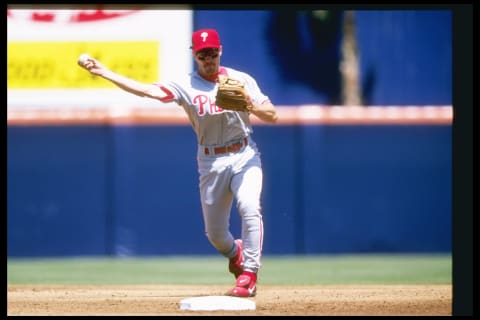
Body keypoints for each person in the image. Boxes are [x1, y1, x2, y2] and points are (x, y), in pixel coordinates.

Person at [78, 28, 277, 297]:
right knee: (216, 235)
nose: (209, 58)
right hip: (211, 160)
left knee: (250, 206)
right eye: (203, 54)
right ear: (194, 55)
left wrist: (249, 105)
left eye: (213, 52)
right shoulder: (186, 85)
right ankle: (236, 253)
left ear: (220, 51)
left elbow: (272, 114)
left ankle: (249, 274)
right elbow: (147, 91)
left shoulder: (241, 80)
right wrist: (105, 72)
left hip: (245, 154)